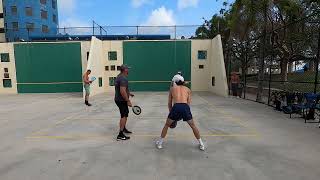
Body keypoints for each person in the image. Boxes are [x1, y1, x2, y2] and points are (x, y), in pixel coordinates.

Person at [156, 75, 205, 151]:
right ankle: (201, 144)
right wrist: (185, 113)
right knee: (193, 126)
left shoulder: (172, 89)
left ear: (175, 82)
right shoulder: (188, 89)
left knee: (166, 125)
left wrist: (171, 114)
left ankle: (160, 143)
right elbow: (188, 103)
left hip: (176, 107)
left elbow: (169, 103)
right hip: (185, 107)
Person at [115, 65, 134, 141]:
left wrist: (129, 94)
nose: (128, 70)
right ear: (125, 70)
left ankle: (124, 128)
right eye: (127, 69)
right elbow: (122, 91)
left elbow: (122, 89)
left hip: (118, 99)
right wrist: (128, 100)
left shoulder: (118, 76)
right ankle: (120, 134)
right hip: (121, 100)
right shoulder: (123, 78)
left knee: (125, 114)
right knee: (124, 116)